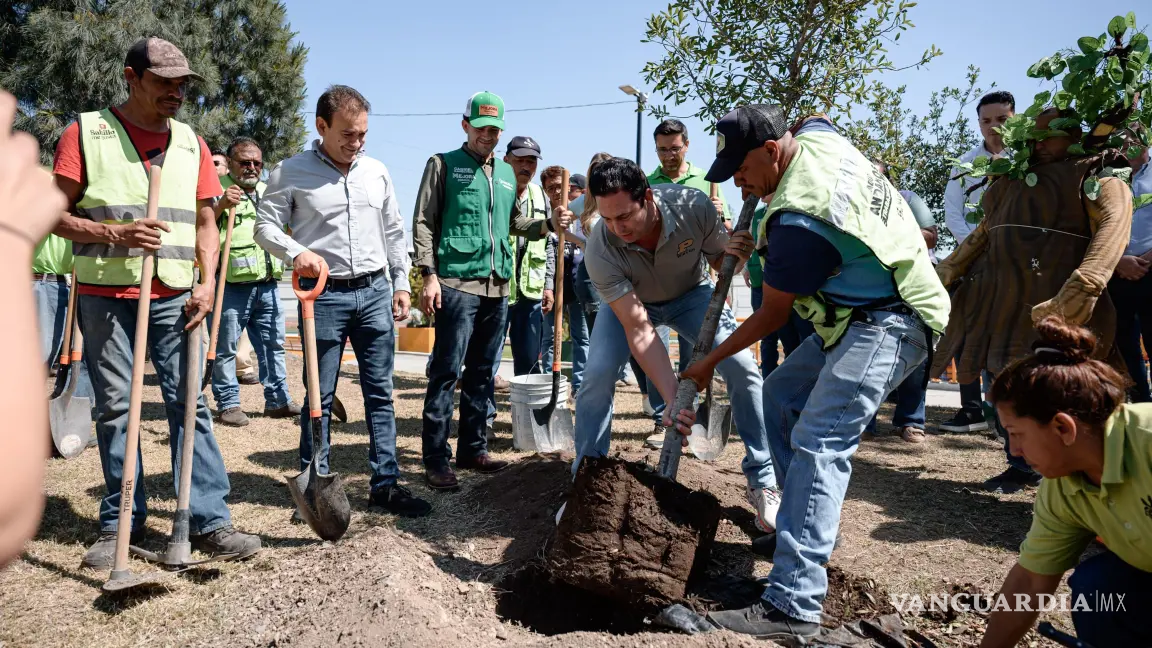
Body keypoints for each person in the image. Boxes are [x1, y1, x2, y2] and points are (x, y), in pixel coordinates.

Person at [683, 106, 949, 640]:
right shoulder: (817, 140)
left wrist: (706, 363)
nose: (738, 179)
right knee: (780, 395)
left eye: (742, 167)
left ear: (773, 150)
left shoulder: (801, 219)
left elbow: (773, 315)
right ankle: (800, 531)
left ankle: (793, 603)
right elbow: (818, 118)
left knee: (820, 437)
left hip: (893, 318)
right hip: (855, 315)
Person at [51, 38, 261, 567]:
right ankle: (122, 523)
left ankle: (209, 522)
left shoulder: (191, 142)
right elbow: (52, 214)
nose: (176, 92)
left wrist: (208, 282)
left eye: (182, 82)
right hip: (105, 296)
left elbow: (207, 223)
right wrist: (114, 232)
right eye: (164, 81)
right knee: (117, 409)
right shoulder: (87, 132)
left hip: (178, 296)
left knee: (191, 406)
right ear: (132, 77)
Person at [564, 156, 782, 535]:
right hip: (632, 305)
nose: (618, 228)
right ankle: (588, 478)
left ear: (647, 197)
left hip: (690, 296)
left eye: (625, 216)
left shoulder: (691, 206)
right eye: (608, 218)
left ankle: (763, 479)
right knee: (596, 377)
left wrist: (737, 257)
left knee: (744, 369)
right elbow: (639, 328)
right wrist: (674, 403)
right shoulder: (601, 246)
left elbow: (719, 262)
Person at [932, 108, 1133, 495]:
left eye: (1049, 135)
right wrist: (946, 272)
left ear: (1073, 136)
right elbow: (985, 233)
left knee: (1072, 389)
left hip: (1061, 309)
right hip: (1002, 302)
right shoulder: (1014, 181)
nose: (1038, 143)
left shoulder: (1097, 174)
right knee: (1008, 384)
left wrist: (1082, 289)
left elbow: (1114, 228)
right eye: (1034, 136)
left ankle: (1092, 474)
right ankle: (1020, 464)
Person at [254, 84, 430, 517]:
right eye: (348, 135)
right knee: (320, 395)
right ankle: (316, 487)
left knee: (380, 394)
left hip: (374, 293)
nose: (357, 143)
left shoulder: (377, 172)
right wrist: (298, 253)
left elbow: (393, 232)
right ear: (321, 126)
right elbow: (264, 227)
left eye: (363, 135)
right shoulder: (290, 172)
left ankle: (386, 485)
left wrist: (401, 283)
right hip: (323, 297)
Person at [412, 91, 570, 490]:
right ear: (465, 125)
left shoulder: (504, 172)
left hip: (499, 287)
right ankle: (435, 458)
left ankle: (473, 449)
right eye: (481, 127)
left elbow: (518, 223)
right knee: (447, 372)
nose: (488, 135)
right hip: (456, 283)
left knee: (483, 372)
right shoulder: (443, 165)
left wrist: (550, 223)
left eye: (495, 129)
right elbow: (425, 222)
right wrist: (429, 275)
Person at [977, 317, 1152, 648]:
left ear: (1062, 428)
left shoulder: (1148, 442)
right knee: (1099, 588)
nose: (1013, 450)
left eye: (1016, 434)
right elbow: (1030, 581)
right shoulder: (1063, 485)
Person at [0, 88, 66, 568]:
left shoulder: (46, 187)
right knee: (35, 364)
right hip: (31, 280)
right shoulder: (18, 192)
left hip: (62, 283)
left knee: (50, 363)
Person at [209, 137, 300, 427]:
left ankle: (278, 400)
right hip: (231, 285)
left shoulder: (269, 192)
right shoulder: (215, 190)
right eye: (244, 162)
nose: (251, 167)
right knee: (226, 347)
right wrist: (221, 204)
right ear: (231, 163)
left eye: (256, 163)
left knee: (274, 344)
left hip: (269, 283)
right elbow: (201, 225)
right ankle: (228, 404)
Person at [939, 91, 1015, 434]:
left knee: (1008, 336)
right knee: (968, 333)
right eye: (986, 121)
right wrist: (973, 246)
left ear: (1015, 118)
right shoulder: (965, 164)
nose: (993, 127)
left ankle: (1005, 413)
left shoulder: (1027, 160)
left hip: (1016, 263)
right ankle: (971, 410)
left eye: (1001, 119)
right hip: (974, 261)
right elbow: (952, 212)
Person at [862, 160, 939, 443]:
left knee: (917, 354)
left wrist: (891, 229)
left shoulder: (907, 199)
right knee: (865, 352)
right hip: (871, 285)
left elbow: (931, 237)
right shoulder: (854, 202)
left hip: (913, 284)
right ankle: (865, 423)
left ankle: (910, 421)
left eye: (878, 178)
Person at [498, 136, 554, 376]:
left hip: (531, 291)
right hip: (498, 287)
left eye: (531, 161)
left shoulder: (540, 195)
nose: (525, 166)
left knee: (530, 359)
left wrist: (549, 285)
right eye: (519, 160)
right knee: (488, 356)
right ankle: (485, 412)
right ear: (505, 160)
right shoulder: (495, 190)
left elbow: (549, 244)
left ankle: (528, 411)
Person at [744, 194, 815, 377]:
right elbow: (753, 244)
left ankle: (800, 379)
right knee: (768, 336)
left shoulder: (790, 210)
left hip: (786, 284)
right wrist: (747, 267)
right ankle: (769, 379)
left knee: (799, 336)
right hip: (760, 282)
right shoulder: (758, 214)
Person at [1107, 123, 1152, 401]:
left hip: (1151, 270)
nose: (1127, 145)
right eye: (1122, 141)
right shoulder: (1106, 179)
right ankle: (1141, 408)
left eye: (1133, 139)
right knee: (1124, 345)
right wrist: (1118, 260)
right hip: (1117, 272)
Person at [539, 164, 590, 399]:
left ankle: (579, 386)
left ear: (569, 187)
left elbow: (585, 240)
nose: (556, 191)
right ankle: (550, 383)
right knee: (549, 337)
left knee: (581, 337)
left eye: (560, 186)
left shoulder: (576, 211)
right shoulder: (542, 214)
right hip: (551, 285)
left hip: (576, 281)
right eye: (551, 188)